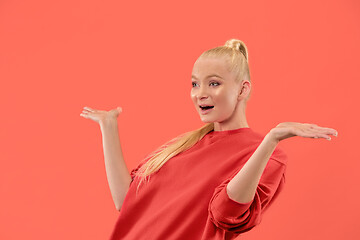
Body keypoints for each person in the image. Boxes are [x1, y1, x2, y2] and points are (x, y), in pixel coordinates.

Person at [80, 39, 338, 240]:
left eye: (213, 84)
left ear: (242, 89)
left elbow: (225, 213)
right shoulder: (182, 147)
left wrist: (271, 140)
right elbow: (127, 202)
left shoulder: (268, 155)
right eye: (194, 84)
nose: (199, 94)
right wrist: (109, 127)